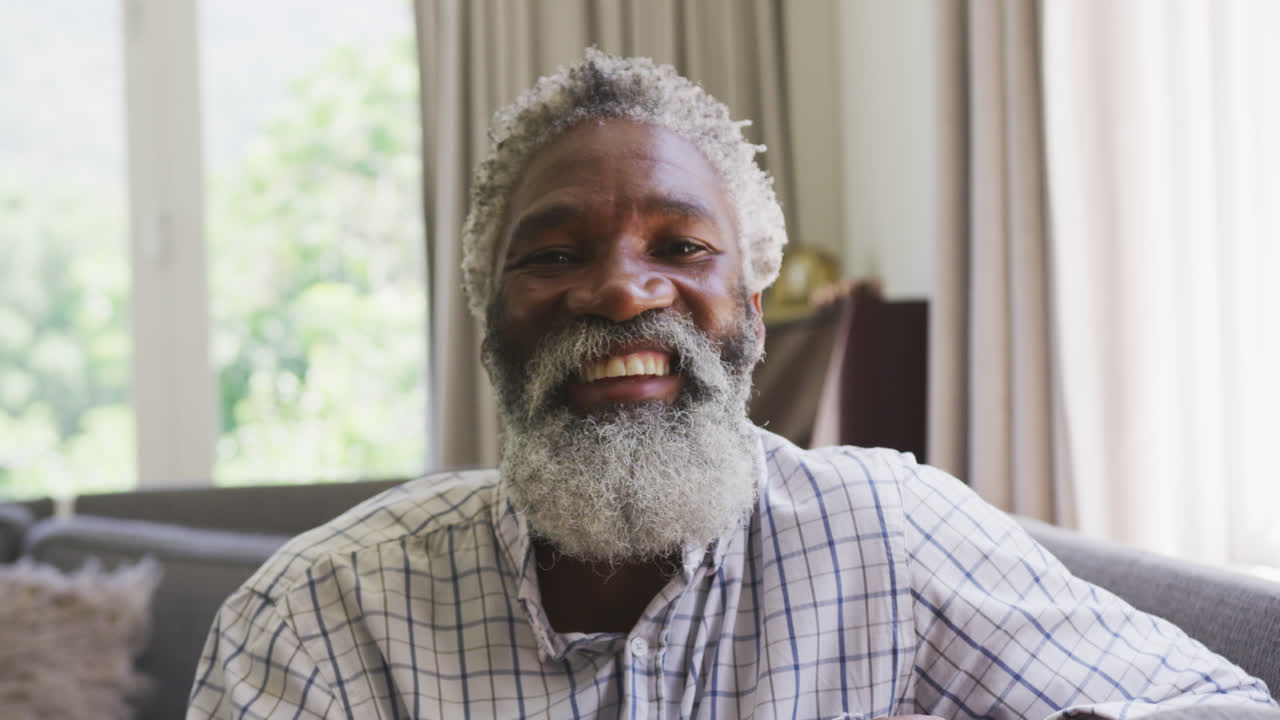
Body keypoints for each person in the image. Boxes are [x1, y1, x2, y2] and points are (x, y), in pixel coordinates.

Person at [187, 49, 1276, 720]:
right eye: (554, 254)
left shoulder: (886, 535)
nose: (622, 291)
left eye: (681, 246)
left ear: (749, 311)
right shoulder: (322, 616)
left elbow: (1221, 706)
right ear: (490, 325)